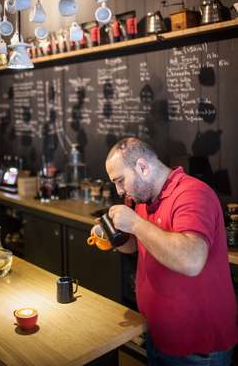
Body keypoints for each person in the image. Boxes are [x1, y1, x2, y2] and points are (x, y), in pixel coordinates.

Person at [91, 137, 238, 366]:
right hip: (158, 332)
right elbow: (136, 246)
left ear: (142, 167)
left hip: (197, 346)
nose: (120, 191)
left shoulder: (193, 193)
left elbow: (191, 260)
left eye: (120, 181)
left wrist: (136, 224)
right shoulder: (144, 197)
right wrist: (112, 237)